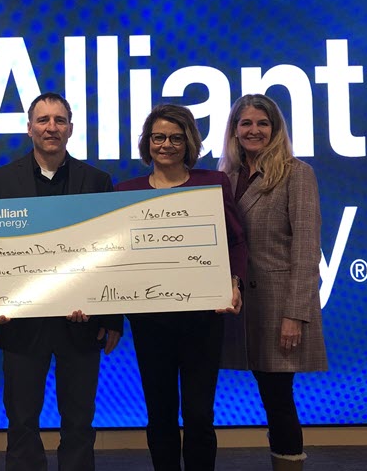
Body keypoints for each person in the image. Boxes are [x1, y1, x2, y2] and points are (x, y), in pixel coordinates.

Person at [0, 92, 123, 471]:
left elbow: (111, 255)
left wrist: (111, 318)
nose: (51, 127)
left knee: (79, 423)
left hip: (81, 323)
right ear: (29, 128)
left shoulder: (97, 181)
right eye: (43, 120)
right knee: (22, 422)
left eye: (59, 120)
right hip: (20, 326)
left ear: (71, 129)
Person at [114, 104, 245, 471]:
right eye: (159, 137)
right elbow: (115, 258)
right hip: (150, 323)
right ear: (147, 143)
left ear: (189, 141)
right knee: (160, 414)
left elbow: (236, 242)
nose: (167, 144)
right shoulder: (127, 191)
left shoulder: (213, 183)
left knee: (199, 414)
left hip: (202, 320)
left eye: (175, 137)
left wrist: (234, 282)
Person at [218, 94, 328, 471]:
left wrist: (295, 314)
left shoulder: (297, 173)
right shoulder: (223, 178)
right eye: (245, 123)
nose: (254, 130)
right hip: (232, 307)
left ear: (275, 129)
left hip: (279, 307)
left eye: (262, 123)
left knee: (278, 401)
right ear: (234, 130)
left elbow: (306, 249)